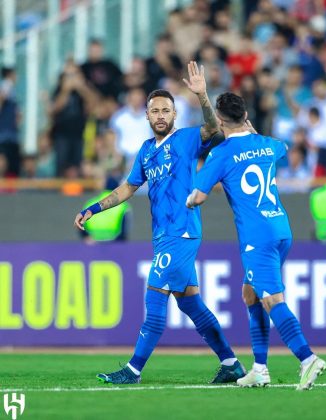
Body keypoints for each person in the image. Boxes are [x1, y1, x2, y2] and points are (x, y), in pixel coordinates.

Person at [74, 62, 245, 385]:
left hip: (181, 233)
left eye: (167, 110)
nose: (161, 115)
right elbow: (127, 188)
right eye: (155, 111)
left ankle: (133, 370)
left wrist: (203, 96)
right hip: (163, 235)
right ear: (148, 117)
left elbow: (214, 129)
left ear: (175, 115)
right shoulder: (145, 151)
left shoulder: (187, 140)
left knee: (154, 299)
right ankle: (231, 363)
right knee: (191, 304)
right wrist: (94, 208)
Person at [186, 92, 326, 391]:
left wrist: (187, 200)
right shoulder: (268, 144)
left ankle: (307, 358)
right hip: (281, 229)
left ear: (220, 121)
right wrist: (250, 130)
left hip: (256, 237)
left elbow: (197, 197)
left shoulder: (220, 154)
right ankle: (260, 369)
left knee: (272, 299)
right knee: (251, 294)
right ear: (245, 118)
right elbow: (281, 147)